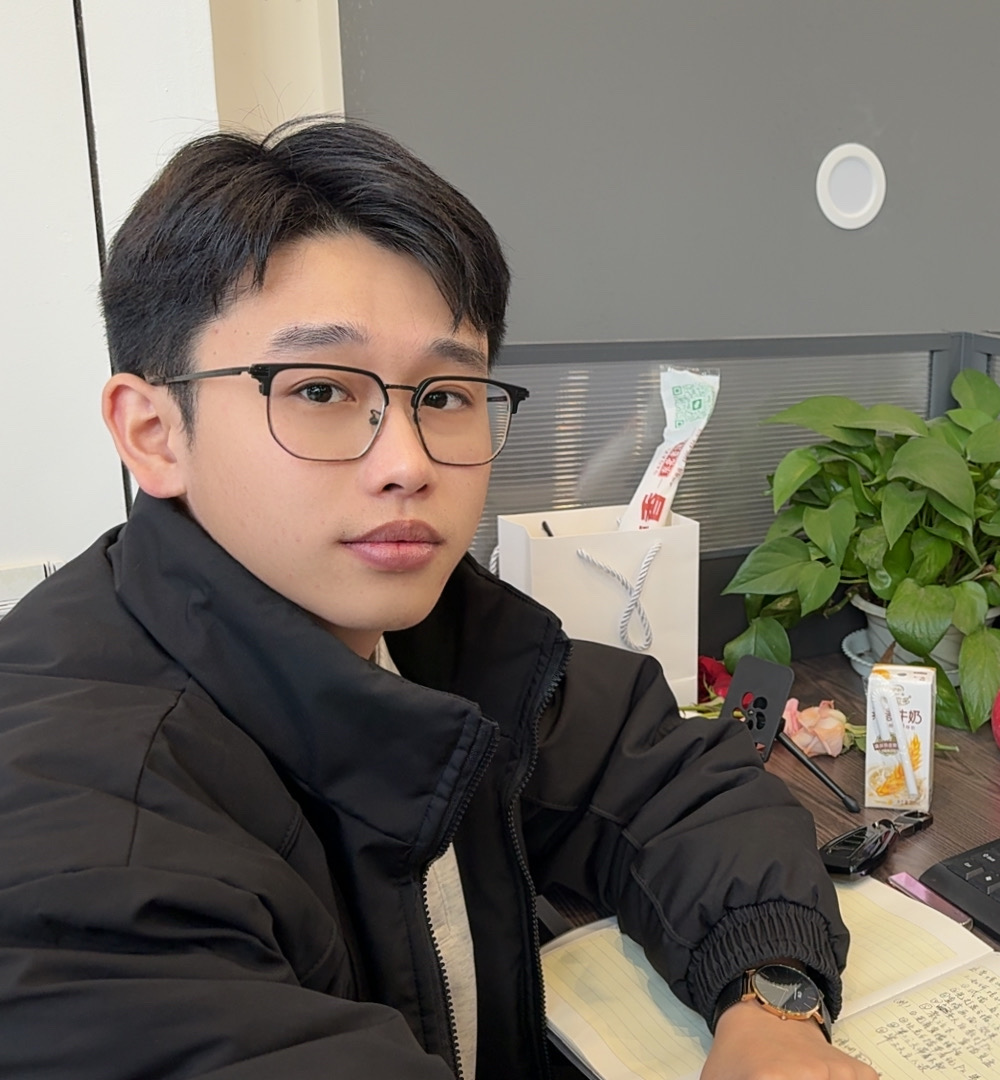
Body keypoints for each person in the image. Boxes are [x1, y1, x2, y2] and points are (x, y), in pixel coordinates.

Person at [0, 120, 871, 1080]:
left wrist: (771, 1010)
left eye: (447, 395)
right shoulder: (78, 849)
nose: (408, 462)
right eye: (321, 390)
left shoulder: (421, 635)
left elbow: (672, 782)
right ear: (153, 431)